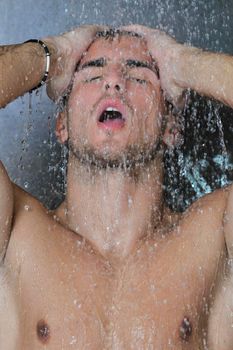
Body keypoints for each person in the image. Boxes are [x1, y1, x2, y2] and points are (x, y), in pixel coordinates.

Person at [0, 23, 233, 350]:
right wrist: (50, 55)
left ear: (170, 127)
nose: (113, 82)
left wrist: (184, 63)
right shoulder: (15, 234)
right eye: (92, 76)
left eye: (139, 76)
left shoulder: (215, 236)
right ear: (62, 124)